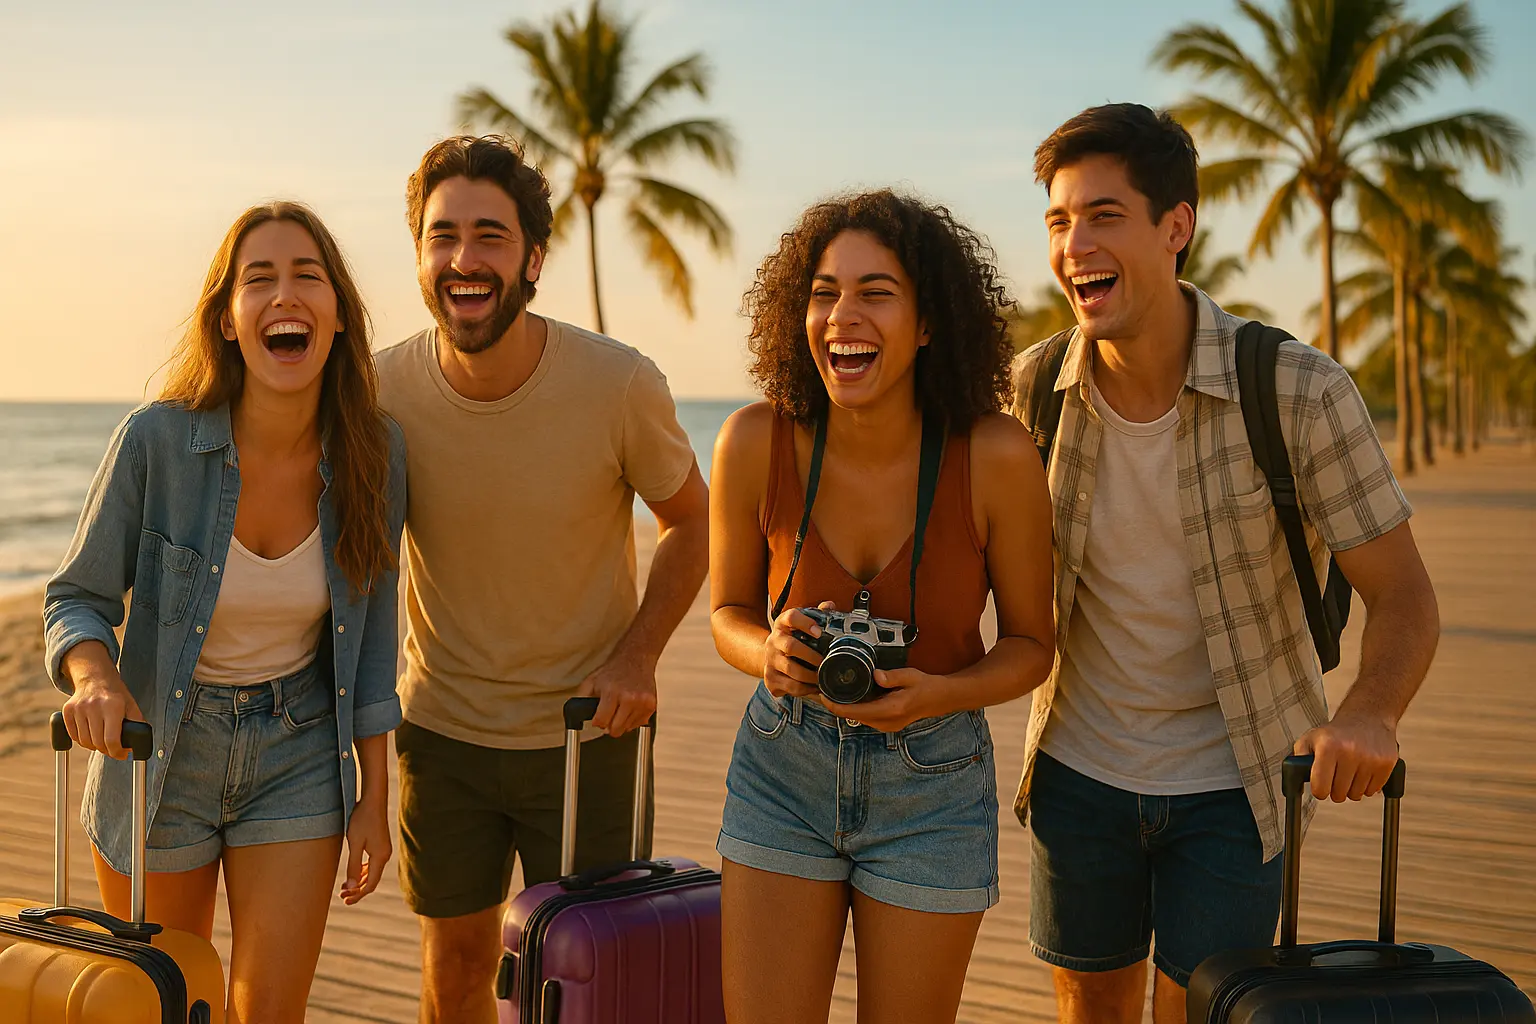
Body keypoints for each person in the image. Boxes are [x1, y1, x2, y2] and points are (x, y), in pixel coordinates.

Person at [1010, 103, 1441, 1024]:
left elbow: (1403, 596)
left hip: (1239, 779)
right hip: (1077, 770)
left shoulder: (1299, 390)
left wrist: (1369, 712)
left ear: (1177, 227)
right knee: (1088, 1011)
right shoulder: (1030, 391)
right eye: (1059, 220)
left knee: (1201, 1015)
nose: (1074, 243)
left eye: (1104, 215)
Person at [43, 201, 406, 1023]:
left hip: (300, 749)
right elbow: (77, 596)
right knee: (160, 1006)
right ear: (229, 319)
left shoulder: (375, 453)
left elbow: (376, 639)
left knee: (268, 1013)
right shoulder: (156, 443)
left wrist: (374, 799)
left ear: (339, 315)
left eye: (307, 277)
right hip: (161, 755)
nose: (285, 295)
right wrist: (95, 678)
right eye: (260, 280)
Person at [375, 134, 710, 1023]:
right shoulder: (380, 393)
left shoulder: (617, 383)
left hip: (586, 735)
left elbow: (692, 523)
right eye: (442, 235)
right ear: (418, 254)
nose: (464, 258)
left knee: (590, 974)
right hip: (440, 733)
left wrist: (639, 658)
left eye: (490, 235)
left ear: (533, 256)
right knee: (454, 965)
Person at [709, 190, 1057, 1023]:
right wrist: (770, 652)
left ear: (928, 323)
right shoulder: (754, 441)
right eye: (825, 293)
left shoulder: (996, 454)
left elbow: (1032, 645)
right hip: (781, 767)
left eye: (876, 292)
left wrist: (938, 693)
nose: (842, 316)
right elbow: (725, 612)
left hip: (932, 785)